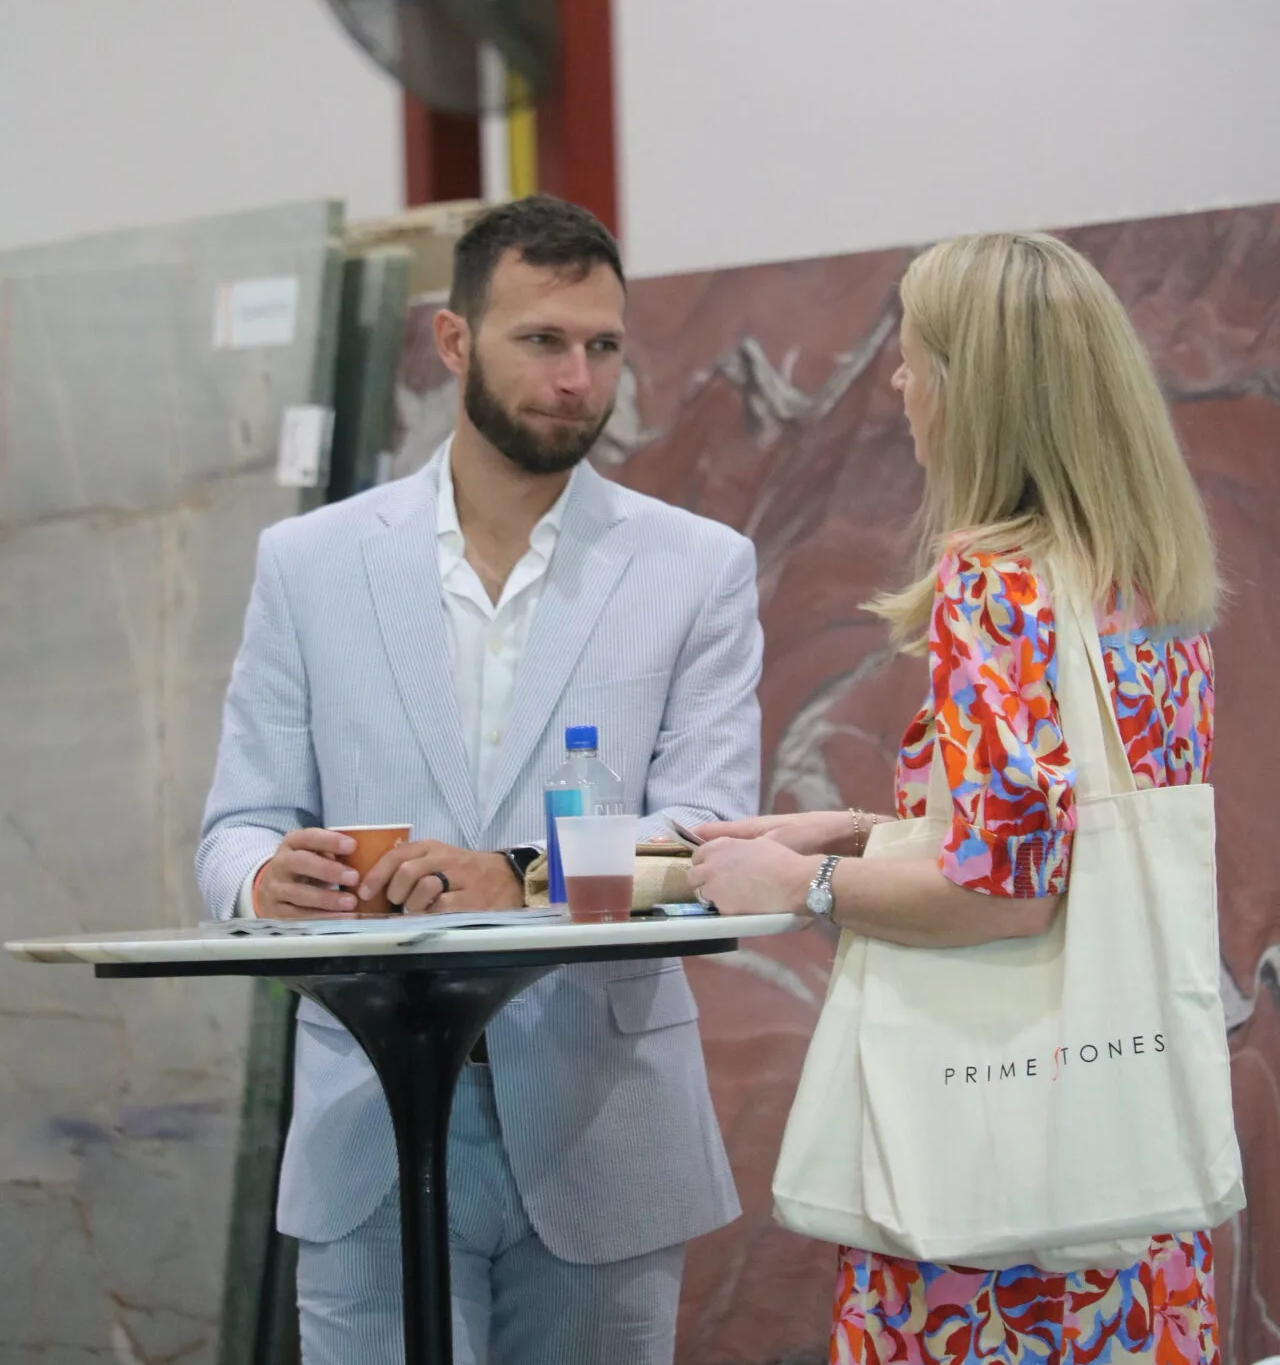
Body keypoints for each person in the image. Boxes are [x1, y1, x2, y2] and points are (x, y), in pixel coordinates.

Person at [197, 194, 762, 1365]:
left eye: (601, 346)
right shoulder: (309, 564)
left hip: (604, 1121)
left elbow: (710, 837)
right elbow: (237, 825)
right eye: (541, 340)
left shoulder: (696, 567)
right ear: (454, 341)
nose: (577, 380)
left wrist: (510, 877)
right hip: (369, 1121)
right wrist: (262, 881)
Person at [689, 230, 1222, 1365]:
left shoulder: (997, 584)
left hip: (994, 1215)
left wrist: (801, 882)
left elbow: (1005, 897)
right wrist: (860, 830)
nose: (896, 381)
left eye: (915, 356)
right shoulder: (1145, 583)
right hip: (1123, 1189)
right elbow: (1062, 843)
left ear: (978, 392)